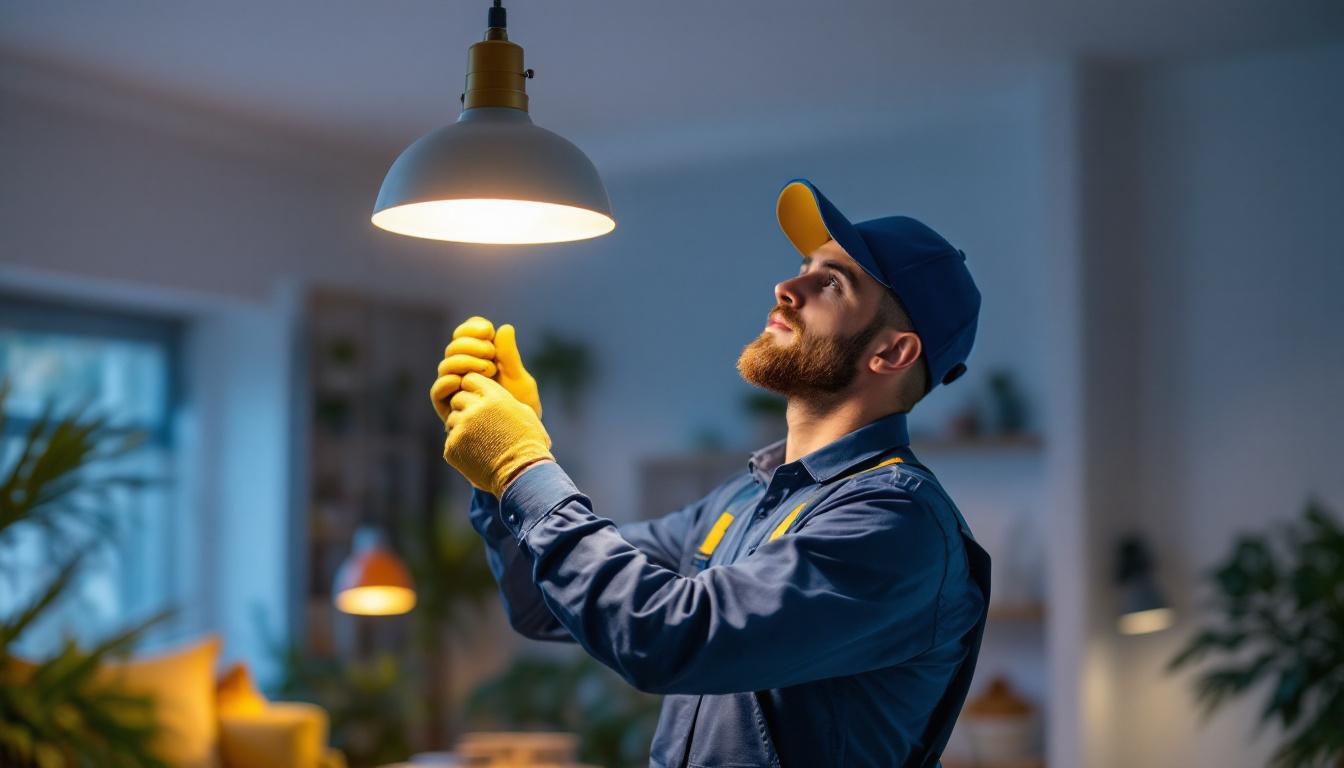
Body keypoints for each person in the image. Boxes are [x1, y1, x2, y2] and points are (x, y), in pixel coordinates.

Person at [430, 178, 990, 768]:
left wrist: (521, 464)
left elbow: (664, 637)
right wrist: (499, 470)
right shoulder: (746, 498)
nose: (786, 287)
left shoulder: (894, 522)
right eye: (804, 267)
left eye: (831, 282)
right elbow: (543, 603)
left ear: (892, 353)